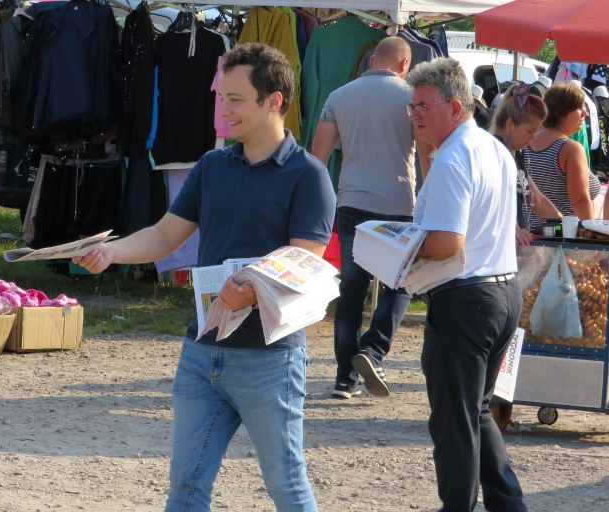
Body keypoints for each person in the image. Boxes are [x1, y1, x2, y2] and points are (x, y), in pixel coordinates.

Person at [74, 43, 335, 511]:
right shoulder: (211, 166)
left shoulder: (309, 175)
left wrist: (252, 292)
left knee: (287, 488)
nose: (223, 110)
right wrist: (110, 252)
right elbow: (164, 235)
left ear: (273, 101)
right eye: (221, 97)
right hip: (201, 352)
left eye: (235, 99)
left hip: (270, 360)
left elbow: (303, 263)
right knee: (186, 489)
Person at [406, 58, 527, 512]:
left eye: (422, 106)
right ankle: (508, 505)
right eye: (411, 107)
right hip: (501, 292)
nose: (414, 115)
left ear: (455, 108)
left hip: (467, 299)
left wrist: (398, 246)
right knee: (475, 410)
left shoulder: (454, 157)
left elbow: (446, 242)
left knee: (455, 419)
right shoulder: (492, 147)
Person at [310, 36, 415, 399]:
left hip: (352, 202)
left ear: (372, 61)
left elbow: (317, 160)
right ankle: (373, 349)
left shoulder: (339, 96)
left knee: (351, 291)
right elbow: (428, 152)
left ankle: (344, 378)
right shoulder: (412, 97)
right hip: (398, 205)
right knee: (400, 284)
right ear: (404, 64)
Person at [488, 82, 560, 246]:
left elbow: (536, 199)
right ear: (510, 125)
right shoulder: (494, 151)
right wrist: (513, 227)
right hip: (496, 244)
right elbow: (493, 199)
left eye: (536, 131)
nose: (533, 137)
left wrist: (565, 224)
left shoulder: (515, 153)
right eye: (530, 131)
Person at [524, 84, 601, 221]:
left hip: (528, 229)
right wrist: (590, 230)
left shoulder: (526, 144)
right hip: (563, 231)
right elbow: (580, 201)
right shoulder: (570, 149)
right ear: (563, 112)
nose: (585, 113)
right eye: (580, 108)